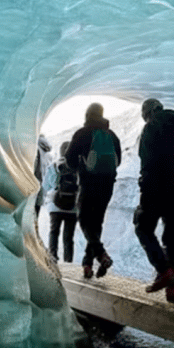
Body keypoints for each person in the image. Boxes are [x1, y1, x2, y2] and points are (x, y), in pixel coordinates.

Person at [135, 99, 174, 301]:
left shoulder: (150, 129)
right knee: (172, 237)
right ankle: (172, 287)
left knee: (143, 227)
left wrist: (146, 185)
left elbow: (147, 161)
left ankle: (164, 270)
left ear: (148, 113)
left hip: (154, 190)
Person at [64, 102, 122, 279]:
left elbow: (70, 159)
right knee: (96, 223)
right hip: (108, 184)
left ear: (87, 115)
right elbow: (117, 160)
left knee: (84, 219)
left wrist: (79, 167)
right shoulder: (111, 135)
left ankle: (101, 254)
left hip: (89, 183)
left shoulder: (83, 133)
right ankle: (88, 265)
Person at [44, 141, 79, 263]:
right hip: (72, 207)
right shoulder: (78, 167)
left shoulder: (53, 166)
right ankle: (68, 261)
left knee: (54, 232)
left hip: (55, 205)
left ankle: (53, 256)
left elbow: (46, 186)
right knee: (68, 237)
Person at [33, 134, 53, 215]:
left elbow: (34, 165)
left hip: (34, 182)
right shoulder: (49, 153)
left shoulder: (36, 148)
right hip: (44, 185)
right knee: (37, 209)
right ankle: (36, 226)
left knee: (30, 212)